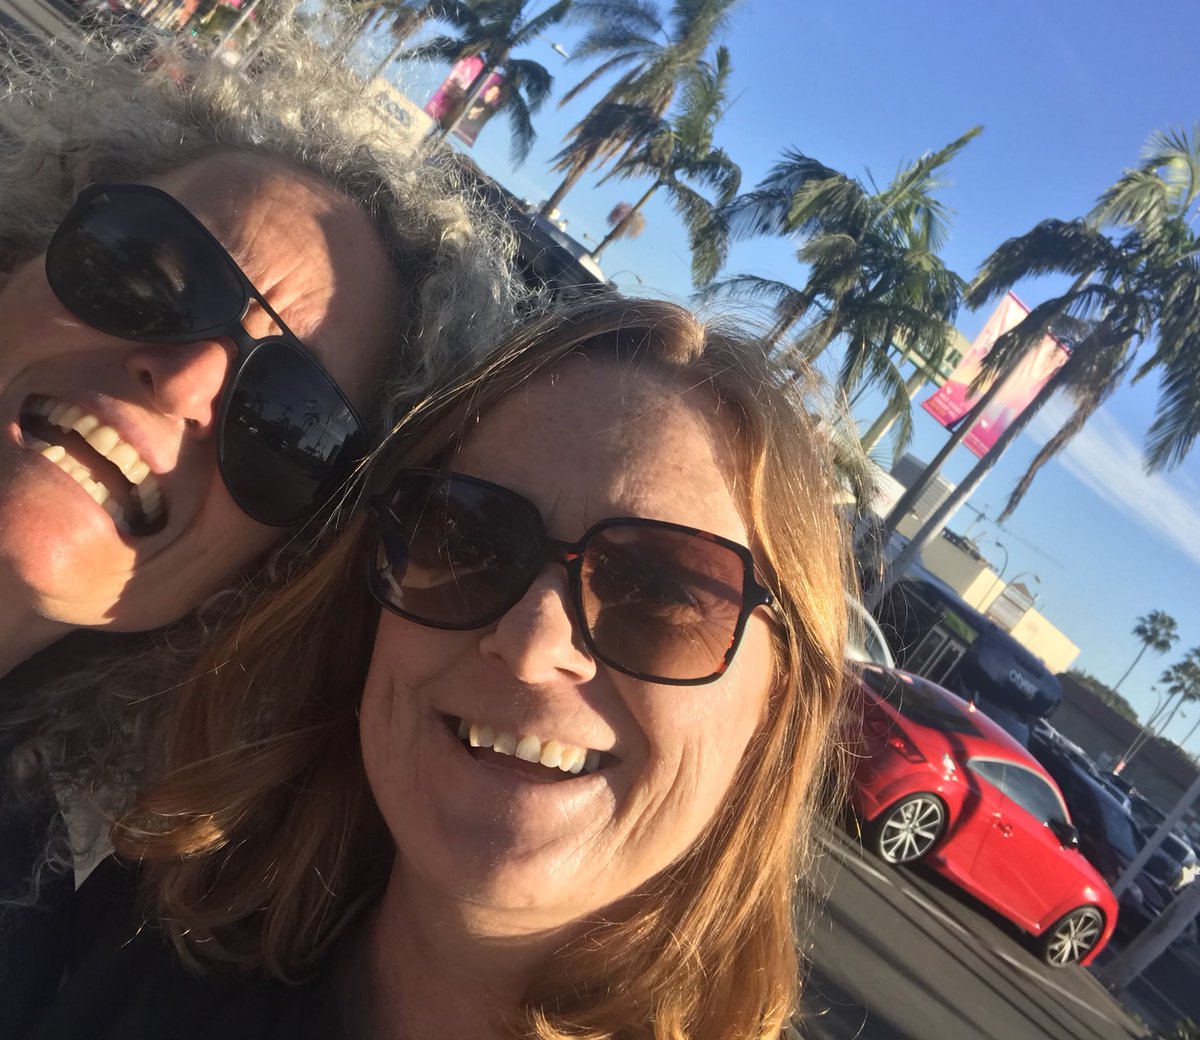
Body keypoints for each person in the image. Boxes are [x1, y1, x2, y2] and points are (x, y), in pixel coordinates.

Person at [31, 296, 852, 1040]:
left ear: (776, 704)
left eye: (661, 592)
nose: (531, 644)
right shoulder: (140, 937)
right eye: (466, 539)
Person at [0, 0, 521, 1035]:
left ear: (267, 571)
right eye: (145, 273)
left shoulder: (30, 928)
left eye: (285, 416)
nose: (187, 380)